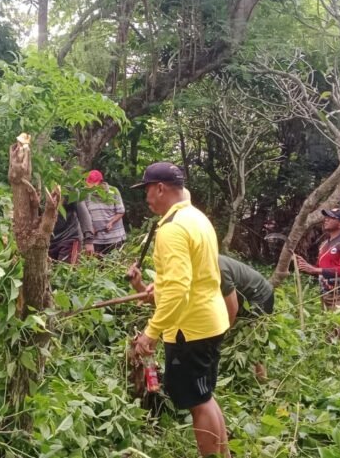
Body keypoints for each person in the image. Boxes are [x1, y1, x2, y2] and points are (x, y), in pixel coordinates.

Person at [126, 162, 230, 457]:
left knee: (198, 403)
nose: (146, 197)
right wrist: (158, 286)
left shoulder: (172, 228)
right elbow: (192, 273)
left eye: (147, 189)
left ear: (160, 188)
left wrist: (151, 332)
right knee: (205, 396)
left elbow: (177, 290)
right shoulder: (196, 217)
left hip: (190, 329)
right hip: (209, 320)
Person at [133, 255, 274, 328]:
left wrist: (221, 337)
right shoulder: (182, 270)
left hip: (259, 294)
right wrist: (139, 285)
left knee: (249, 341)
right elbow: (165, 301)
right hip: (236, 297)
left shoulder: (216, 269)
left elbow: (232, 309)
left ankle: (259, 375)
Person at [295, 208, 340, 339]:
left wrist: (315, 270)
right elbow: (321, 270)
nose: (326, 219)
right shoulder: (324, 245)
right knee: (328, 331)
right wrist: (307, 267)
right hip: (326, 293)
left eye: (331, 217)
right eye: (326, 217)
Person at [218, 255, 274, 326]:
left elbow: (232, 308)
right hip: (245, 295)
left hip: (260, 295)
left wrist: (226, 329)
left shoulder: (219, 271)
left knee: (249, 328)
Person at [84, 170, 126, 255]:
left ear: (100, 182)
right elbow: (84, 215)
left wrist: (111, 222)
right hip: (96, 240)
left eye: (93, 183)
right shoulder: (86, 194)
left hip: (115, 238)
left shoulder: (113, 191)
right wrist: (90, 228)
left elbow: (121, 211)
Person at [48, 197, 95, 264]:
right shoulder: (41, 192)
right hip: (48, 241)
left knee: (66, 268)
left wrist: (89, 240)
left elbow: (83, 213)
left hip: (69, 237)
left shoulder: (71, 191)